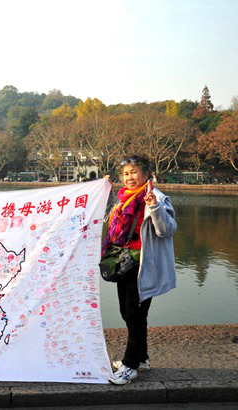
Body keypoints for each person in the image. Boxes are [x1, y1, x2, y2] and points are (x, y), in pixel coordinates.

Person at [103, 155, 177, 385]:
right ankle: (142, 358)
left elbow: (167, 230)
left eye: (134, 172)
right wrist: (104, 194)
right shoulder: (122, 199)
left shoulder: (157, 198)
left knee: (134, 315)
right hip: (124, 261)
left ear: (146, 175)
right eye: (125, 173)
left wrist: (154, 206)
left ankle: (130, 366)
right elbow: (108, 219)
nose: (129, 177)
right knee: (130, 313)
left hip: (144, 264)